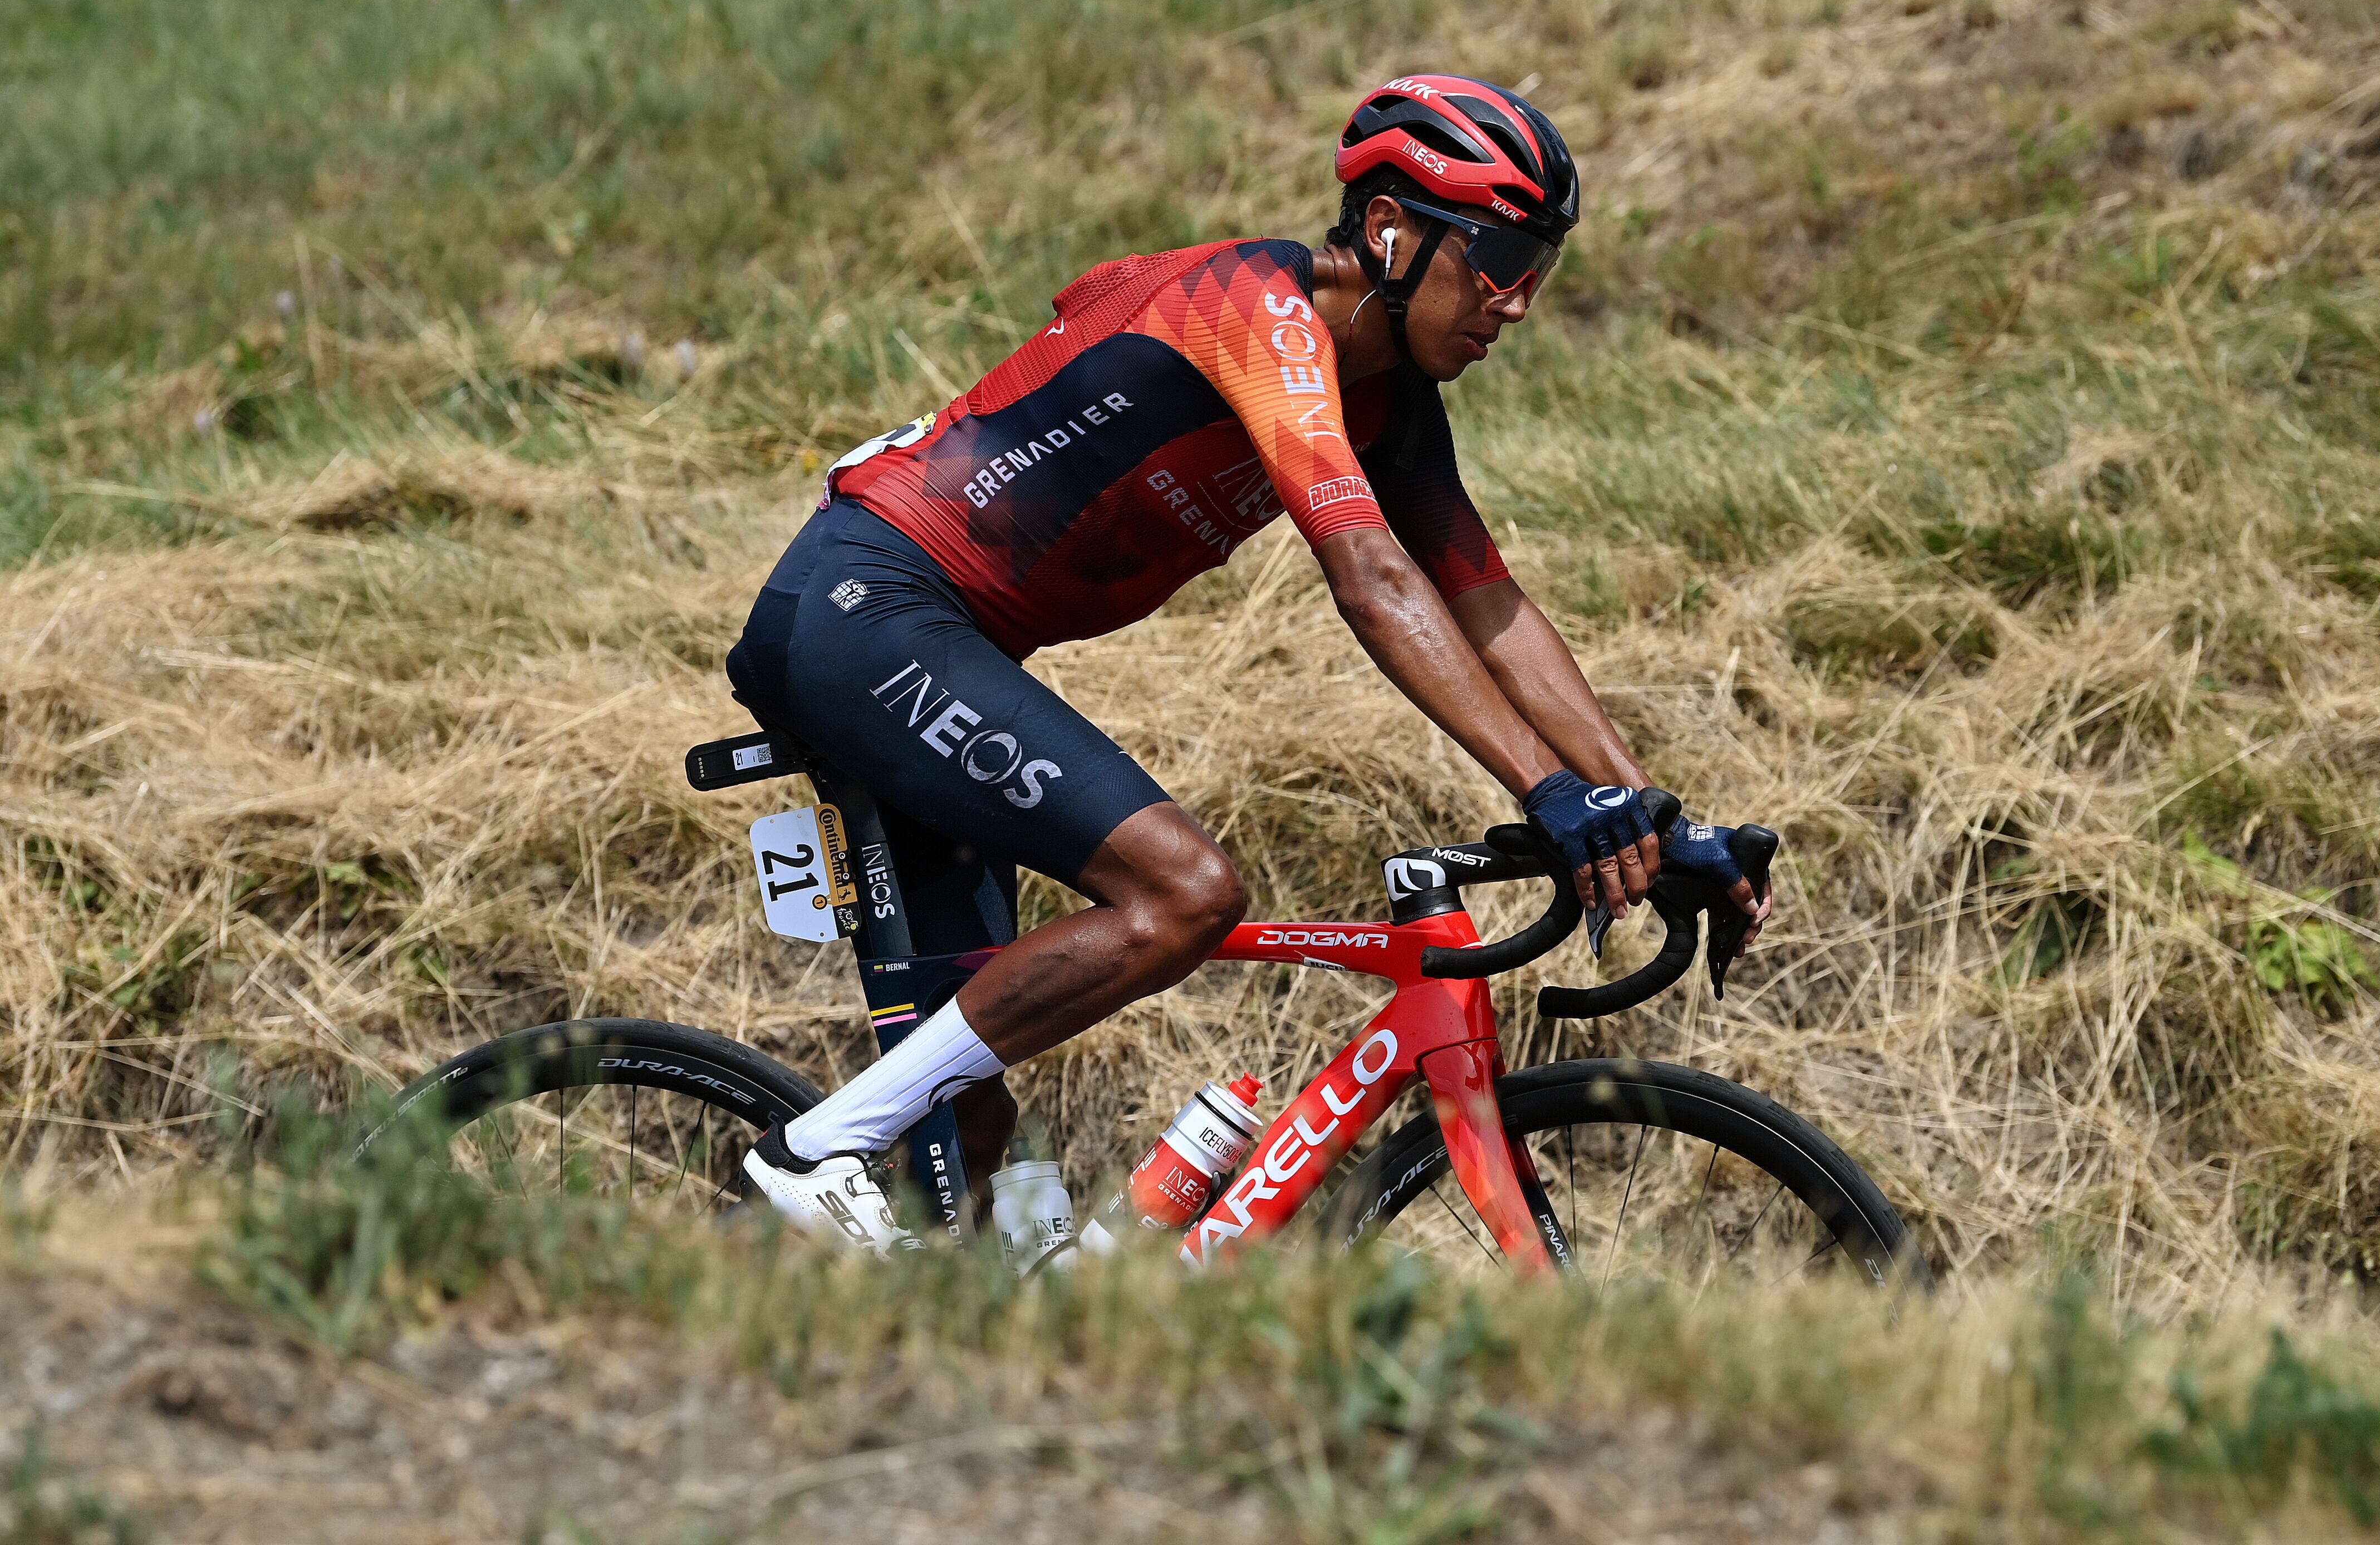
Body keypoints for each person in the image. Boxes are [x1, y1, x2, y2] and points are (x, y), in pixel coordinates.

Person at [729, 75, 1768, 1251]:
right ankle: (806, 1149)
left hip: (928, 640)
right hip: (868, 611)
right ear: (1387, 230)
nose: (1515, 303)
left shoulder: (1391, 403)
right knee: (1185, 893)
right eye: (1496, 262)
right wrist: (1545, 792)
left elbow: (1486, 604)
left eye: (1538, 271)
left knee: (959, 1156)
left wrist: (1633, 807)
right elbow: (1373, 580)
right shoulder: (1253, 309)